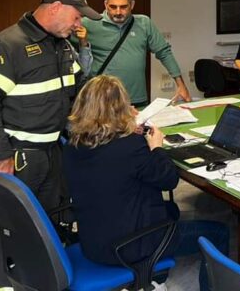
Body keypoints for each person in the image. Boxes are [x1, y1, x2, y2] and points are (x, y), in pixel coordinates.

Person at [62, 75, 228, 291]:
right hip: (128, 248)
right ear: (120, 109)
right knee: (219, 232)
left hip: (92, 241)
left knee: (171, 209)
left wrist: (127, 131)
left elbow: (111, 161)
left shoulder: (72, 146)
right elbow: (169, 180)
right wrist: (156, 146)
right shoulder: (131, 147)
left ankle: (157, 271)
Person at [0, 0, 100, 211]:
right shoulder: (8, 44)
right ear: (56, 8)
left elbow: (80, 89)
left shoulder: (62, 45)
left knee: (50, 216)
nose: (78, 25)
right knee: (16, 222)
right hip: (20, 155)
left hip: (53, 150)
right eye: (77, 17)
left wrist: (116, 109)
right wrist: (2, 156)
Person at [77, 0, 191, 106]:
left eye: (123, 7)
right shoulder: (88, 24)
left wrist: (181, 85)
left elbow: (164, 52)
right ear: (105, 4)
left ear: (132, 5)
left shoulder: (144, 23)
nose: (118, 12)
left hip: (136, 100)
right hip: (101, 101)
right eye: (113, 7)